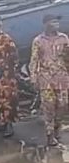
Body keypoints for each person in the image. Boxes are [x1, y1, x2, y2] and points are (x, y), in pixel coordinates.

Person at [29, 14, 69, 146]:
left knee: (63, 105)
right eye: (53, 22)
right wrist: (33, 78)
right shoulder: (38, 41)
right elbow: (34, 61)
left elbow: (68, 57)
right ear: (46, 24)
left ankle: (57, 129)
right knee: (49, 106)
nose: (56, 24)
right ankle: (50, 134)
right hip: (46, 79)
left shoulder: (64, 38)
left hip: (62, 78)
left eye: (57, 22)